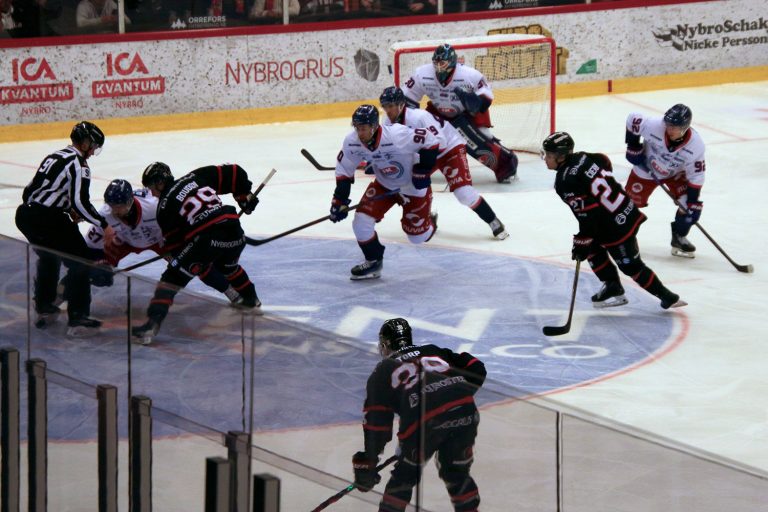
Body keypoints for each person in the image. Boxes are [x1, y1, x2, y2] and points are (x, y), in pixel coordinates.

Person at [352, 317, 486, 512]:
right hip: (465, 412)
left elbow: (377, 423)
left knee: (404, 478)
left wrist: (370, 461)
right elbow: (476, 366)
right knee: (456, 472)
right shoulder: (433, 350)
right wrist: (455, 394)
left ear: (385, 344)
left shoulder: (382, 371)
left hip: (424, 423)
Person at [541, 131, 686, 309]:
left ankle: (667, 297)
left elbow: (588, 215)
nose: (545, 158)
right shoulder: (584, 157)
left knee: (630, 265)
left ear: (562, 156)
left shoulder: (564, 181)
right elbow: (604, 161)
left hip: (615, 226)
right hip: (625, 209)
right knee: (592, 246)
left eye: (548, 155)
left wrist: (581, 240)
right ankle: (612, 286)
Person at [131, 162, 261, 345]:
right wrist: (243, 196)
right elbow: (234, 172)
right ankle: (251, 298)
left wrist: (177, 261)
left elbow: (178, 245)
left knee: (171, 278)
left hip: (206, 241)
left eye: (152, 188)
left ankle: (151, 326)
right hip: (235, 232)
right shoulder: (197, 176)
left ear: (160, 182)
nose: (152, 193)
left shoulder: (164, 208)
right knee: (227, 267)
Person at [15, 121, 113, 336]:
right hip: (49, 219)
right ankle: (78, 319)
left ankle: (44, 307)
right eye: (94, 146)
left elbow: (31, 192)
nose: (93, 151)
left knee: (49, 257)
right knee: (81, 262)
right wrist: (103, 225)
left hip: (25, 215)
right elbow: (81, 203)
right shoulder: (79, 164)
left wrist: (66, 209)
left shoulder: (56, 156)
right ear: (86, 142)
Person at [83, 178, 248, 305]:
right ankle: (62, 294)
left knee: (195, 264)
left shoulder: (154, 207)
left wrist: (190, 242)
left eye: (120, 206)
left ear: (130, 201)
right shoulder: (104, 215)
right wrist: (99, 263)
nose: (116, 211)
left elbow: (182, 223)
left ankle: (230, 291)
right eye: (112, 205)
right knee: (89, 269)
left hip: (161, 240)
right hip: (124, 241)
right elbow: (89, 248)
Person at [380, 85, 508, 240]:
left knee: (464, 193)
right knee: (410, 186)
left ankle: (493, 221)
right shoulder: (386, 122)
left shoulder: (419, 117)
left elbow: (439, 142)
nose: (388, 110)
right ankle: (427, 216)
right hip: (426, 152)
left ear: (401, 104)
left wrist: (423, 167)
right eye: (385, 106)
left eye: (391, 106)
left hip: (449, 148)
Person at [330, 104, 440, 280]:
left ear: (374, 126)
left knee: (417, 237)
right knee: (360, 222)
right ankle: (373, 261)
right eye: (357, 128)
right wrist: (339, 200)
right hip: (384, 184)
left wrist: (423, 169)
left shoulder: (397, 135)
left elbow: (431, 140)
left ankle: (430, 222)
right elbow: (344, 169)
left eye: (363, 128)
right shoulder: (352, 142)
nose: (360, 133)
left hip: (412, 186)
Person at [402, 43, 518, 184]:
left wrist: (470, 100)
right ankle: (412, 163)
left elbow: (484, 102)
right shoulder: (422, 73)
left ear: (452, 62)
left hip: (467, 112)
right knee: (425, 139)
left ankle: (506, 163)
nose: (438, 67)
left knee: (481, 139)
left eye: (442, 63)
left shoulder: (470, 75)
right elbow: (407, 99)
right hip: (438, 111)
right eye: (436, 63)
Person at [624, 103, 706, 258]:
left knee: (689, 208)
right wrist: (633, 145)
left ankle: (679, 236)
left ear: (685, 127)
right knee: (627, 206)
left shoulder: (696, 145)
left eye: (674, 127)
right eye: (668, 125)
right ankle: (623, 238)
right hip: (646, 169)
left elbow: (696, 175)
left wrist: (692, 201)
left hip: (675, 174)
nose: (669, 129)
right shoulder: (655, 125)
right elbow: (632, 119)